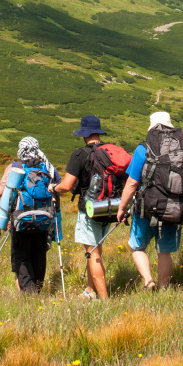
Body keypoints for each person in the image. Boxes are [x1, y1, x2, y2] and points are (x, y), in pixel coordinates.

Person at [117, 112, 183, 290]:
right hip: (173, 207)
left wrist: (122, 208)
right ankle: (164, 289)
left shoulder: (144, 148)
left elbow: (132, 183)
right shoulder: (182, 148)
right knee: (164, 251)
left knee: (137, 247)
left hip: (145, 208)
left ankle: (149, 281)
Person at [54, 115, 112, 300]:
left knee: (93, 253)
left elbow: (67, 185)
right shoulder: (109, 151)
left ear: (84, 135)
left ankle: (104, 300)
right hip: (108, 207)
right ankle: (90, 290)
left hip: (89, 209)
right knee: (96, 250)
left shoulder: (79, 154)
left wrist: (53, 188)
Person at [0, 136, 62, 293]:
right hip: (44, 219)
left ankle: (29, 293)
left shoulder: (16, 166)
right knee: (39, 253)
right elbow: (59, 186)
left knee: (22, 255)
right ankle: (37, 288)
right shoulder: (47, 167)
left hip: (20, 219)